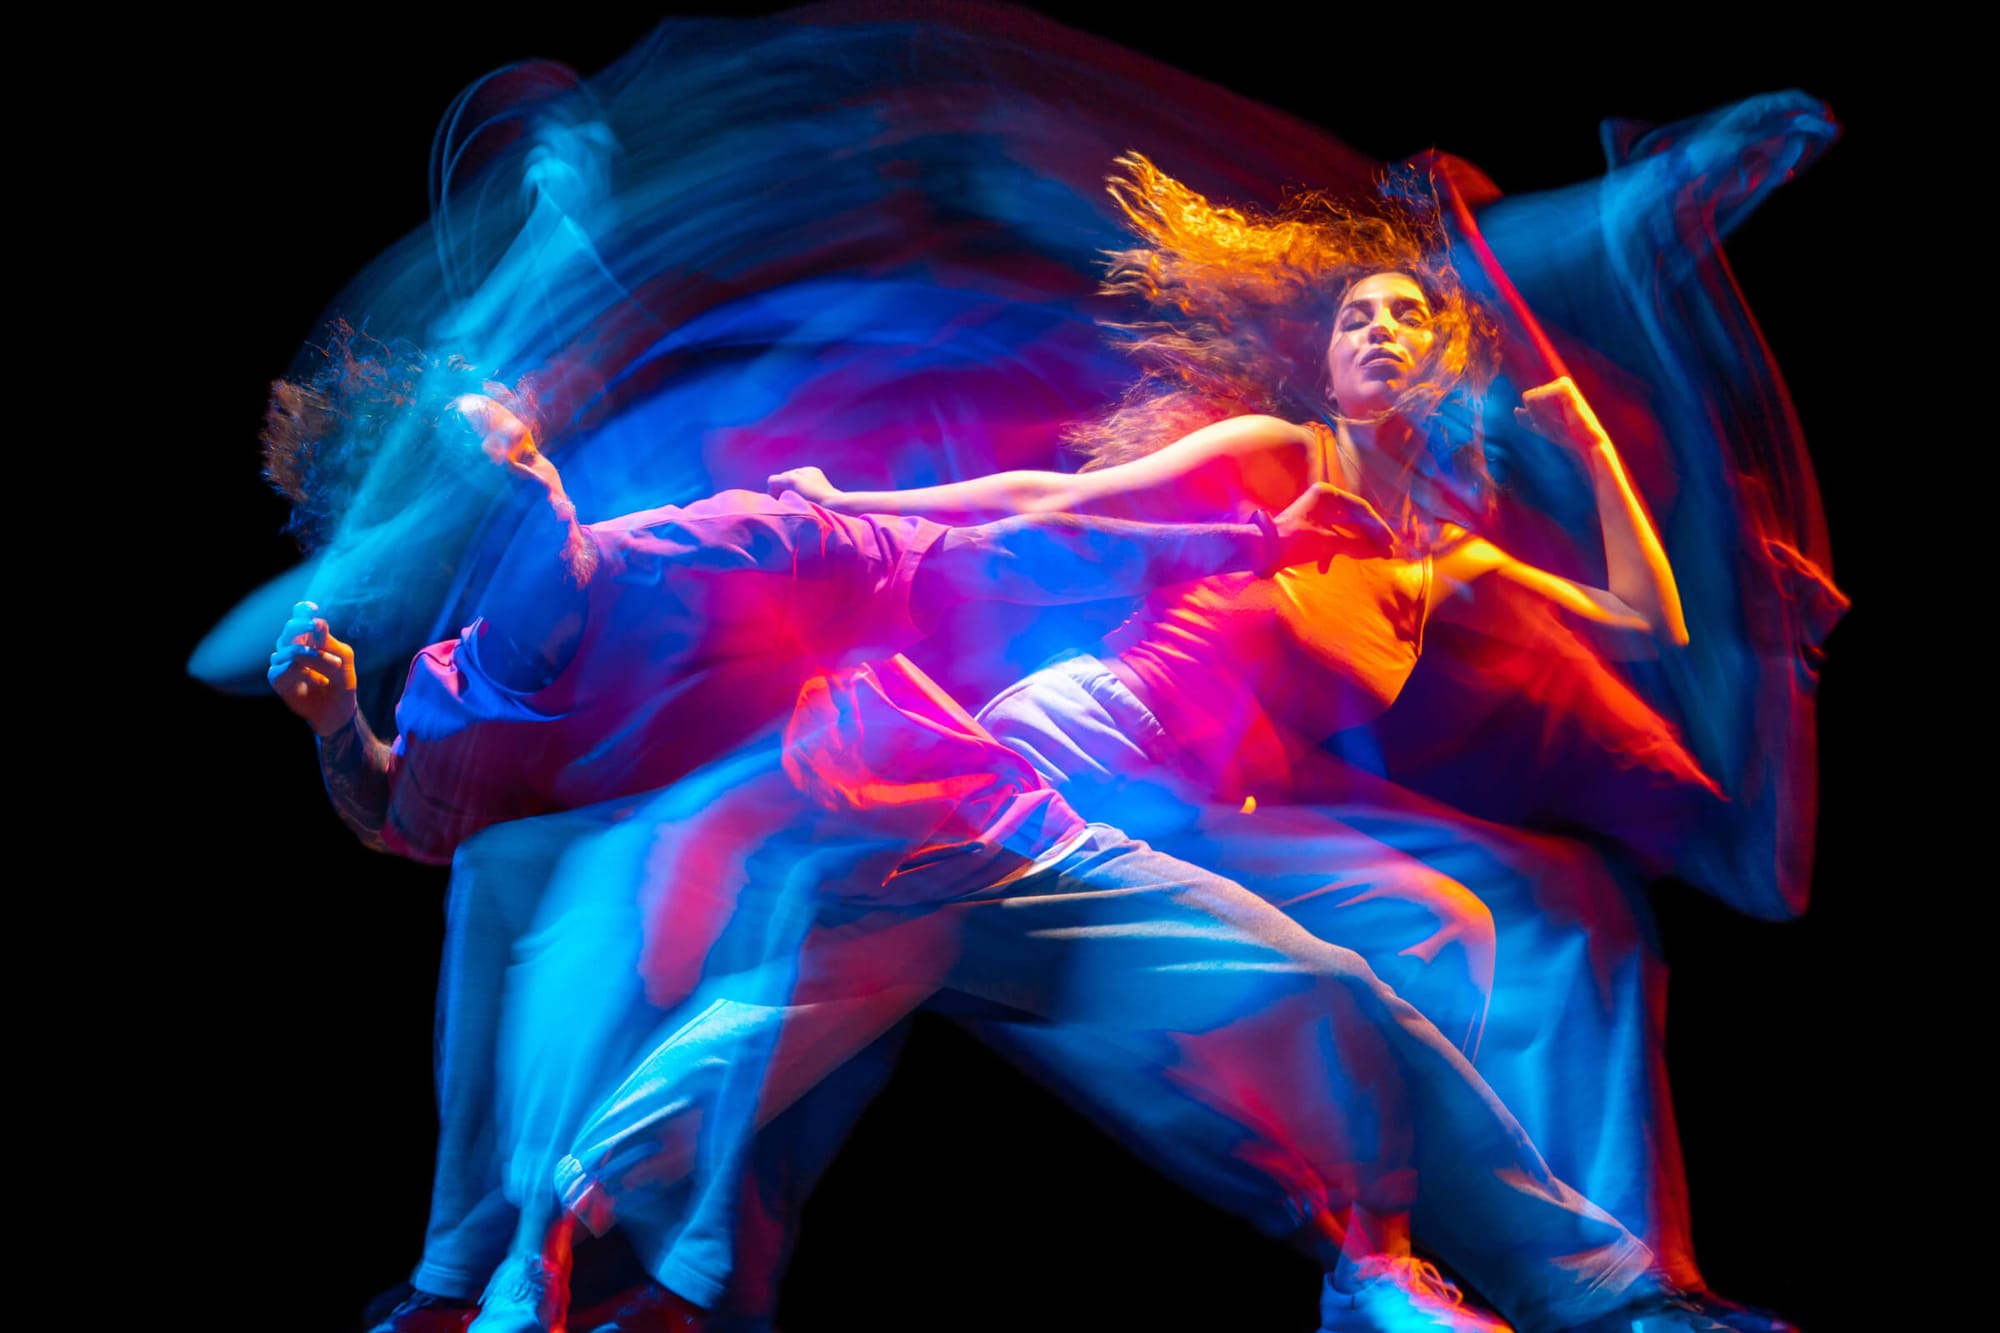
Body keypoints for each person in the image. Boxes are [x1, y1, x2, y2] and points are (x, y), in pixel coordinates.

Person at [264, 345, 1728, 1333]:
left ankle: (1520, 1282)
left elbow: (994, 527)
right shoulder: (469, 690)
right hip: (831, 895)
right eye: (493, 481)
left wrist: (1167, 536)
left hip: (990, 830)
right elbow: (402, 815)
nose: (524, 475)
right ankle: (529, 1257)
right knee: (669, 1086)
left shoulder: (717, 544)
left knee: (1335, 989)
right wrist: (340, 725)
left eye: (521, 458)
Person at [752, 149, 1835, 1330]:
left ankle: (1387, 1251)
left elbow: (1641, 622)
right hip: (1089, 750)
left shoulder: (1440, 566)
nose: (1375, 329)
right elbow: (1047, 504)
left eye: (1405, 316)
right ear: (1323, 364)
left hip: (1208, 816)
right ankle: (1402, 1259)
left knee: (1452, 924)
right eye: (1353, 318)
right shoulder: (1282, 458)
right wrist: (847, 507)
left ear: (1438, 365)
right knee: (1344, 977)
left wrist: (1585, 446)